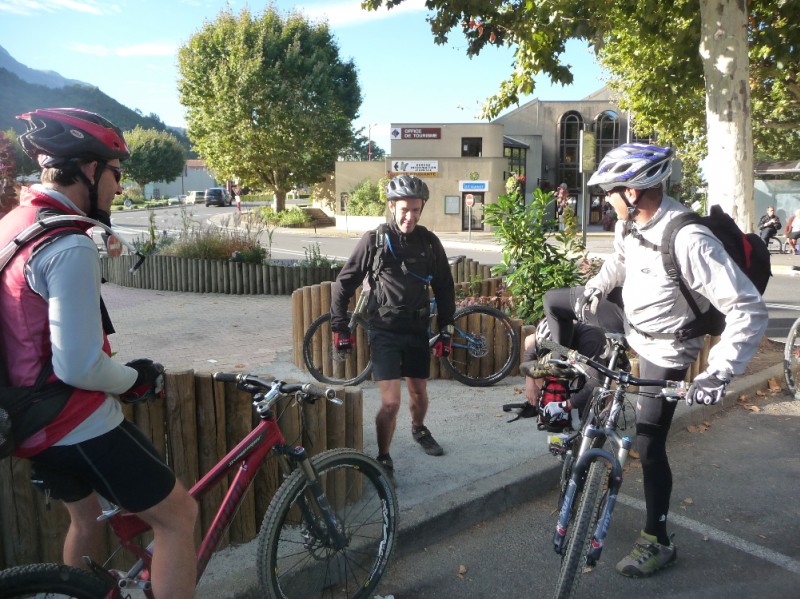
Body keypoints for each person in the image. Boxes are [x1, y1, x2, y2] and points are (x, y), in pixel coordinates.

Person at [0, 108, 197, 599]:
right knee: (179, 518)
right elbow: (80, 363)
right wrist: (136, 379)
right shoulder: (67, 244)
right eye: (116, 173)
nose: (118, 187)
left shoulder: (16, 222)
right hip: (71, 420)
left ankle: (81, 591)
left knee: (85, 521)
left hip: (24, 420)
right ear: (89, 169)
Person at [577, 143, 767, 578]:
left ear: (633, 192)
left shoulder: (688, 238)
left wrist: (719, 371)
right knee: (575, 358)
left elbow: (747, 307)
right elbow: (619, 263)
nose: (605, 199)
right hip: (633, 330)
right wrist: (594, 287)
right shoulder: (630, 224)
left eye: (609, 191)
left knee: (648, 441)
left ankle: (657, 540)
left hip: (667, 348)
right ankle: (577, 448)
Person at [330, 175, 455, 477]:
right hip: (384, 331)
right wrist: (340, 327)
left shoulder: (428, 242)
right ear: (391, 206)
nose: (410, 216)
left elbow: (444, 287)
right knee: (390, 403)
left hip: (417, 330)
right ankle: (383, 456)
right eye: (404, 209)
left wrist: (447, 329)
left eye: (416, 209)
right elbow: (343, 284)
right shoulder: (373, 240)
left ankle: (419, 428)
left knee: (419, 395)